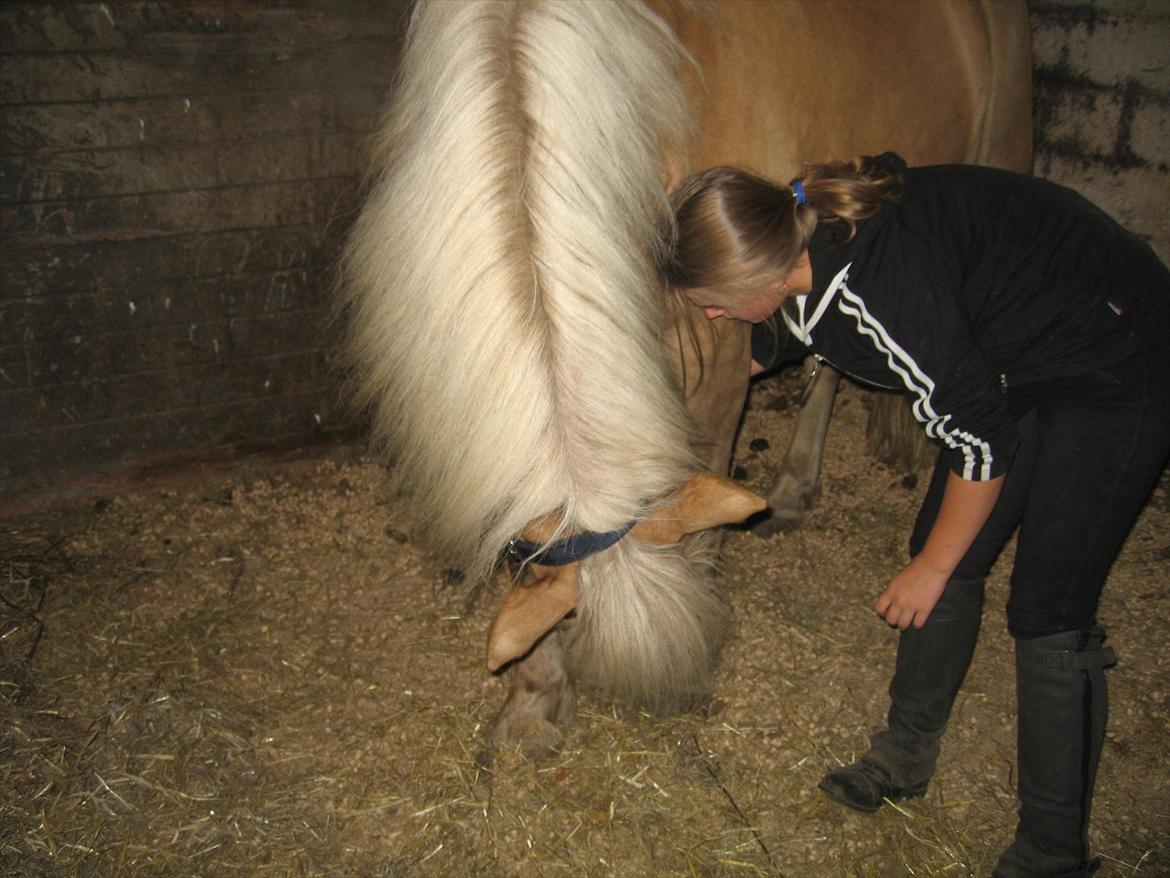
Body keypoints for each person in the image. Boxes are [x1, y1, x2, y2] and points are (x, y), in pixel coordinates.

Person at [662, 154, 1170, 878]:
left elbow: (980, 441)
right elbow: (791, 329)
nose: (712, 317)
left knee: (1047, 606)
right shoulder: (805, 238)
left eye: (715, 301)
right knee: (943, 545)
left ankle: (1052, 849)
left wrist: (933, 568)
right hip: (1022, 349)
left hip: (1122, 353)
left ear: (762, 275)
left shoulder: (885, 291)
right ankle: (904, 754)